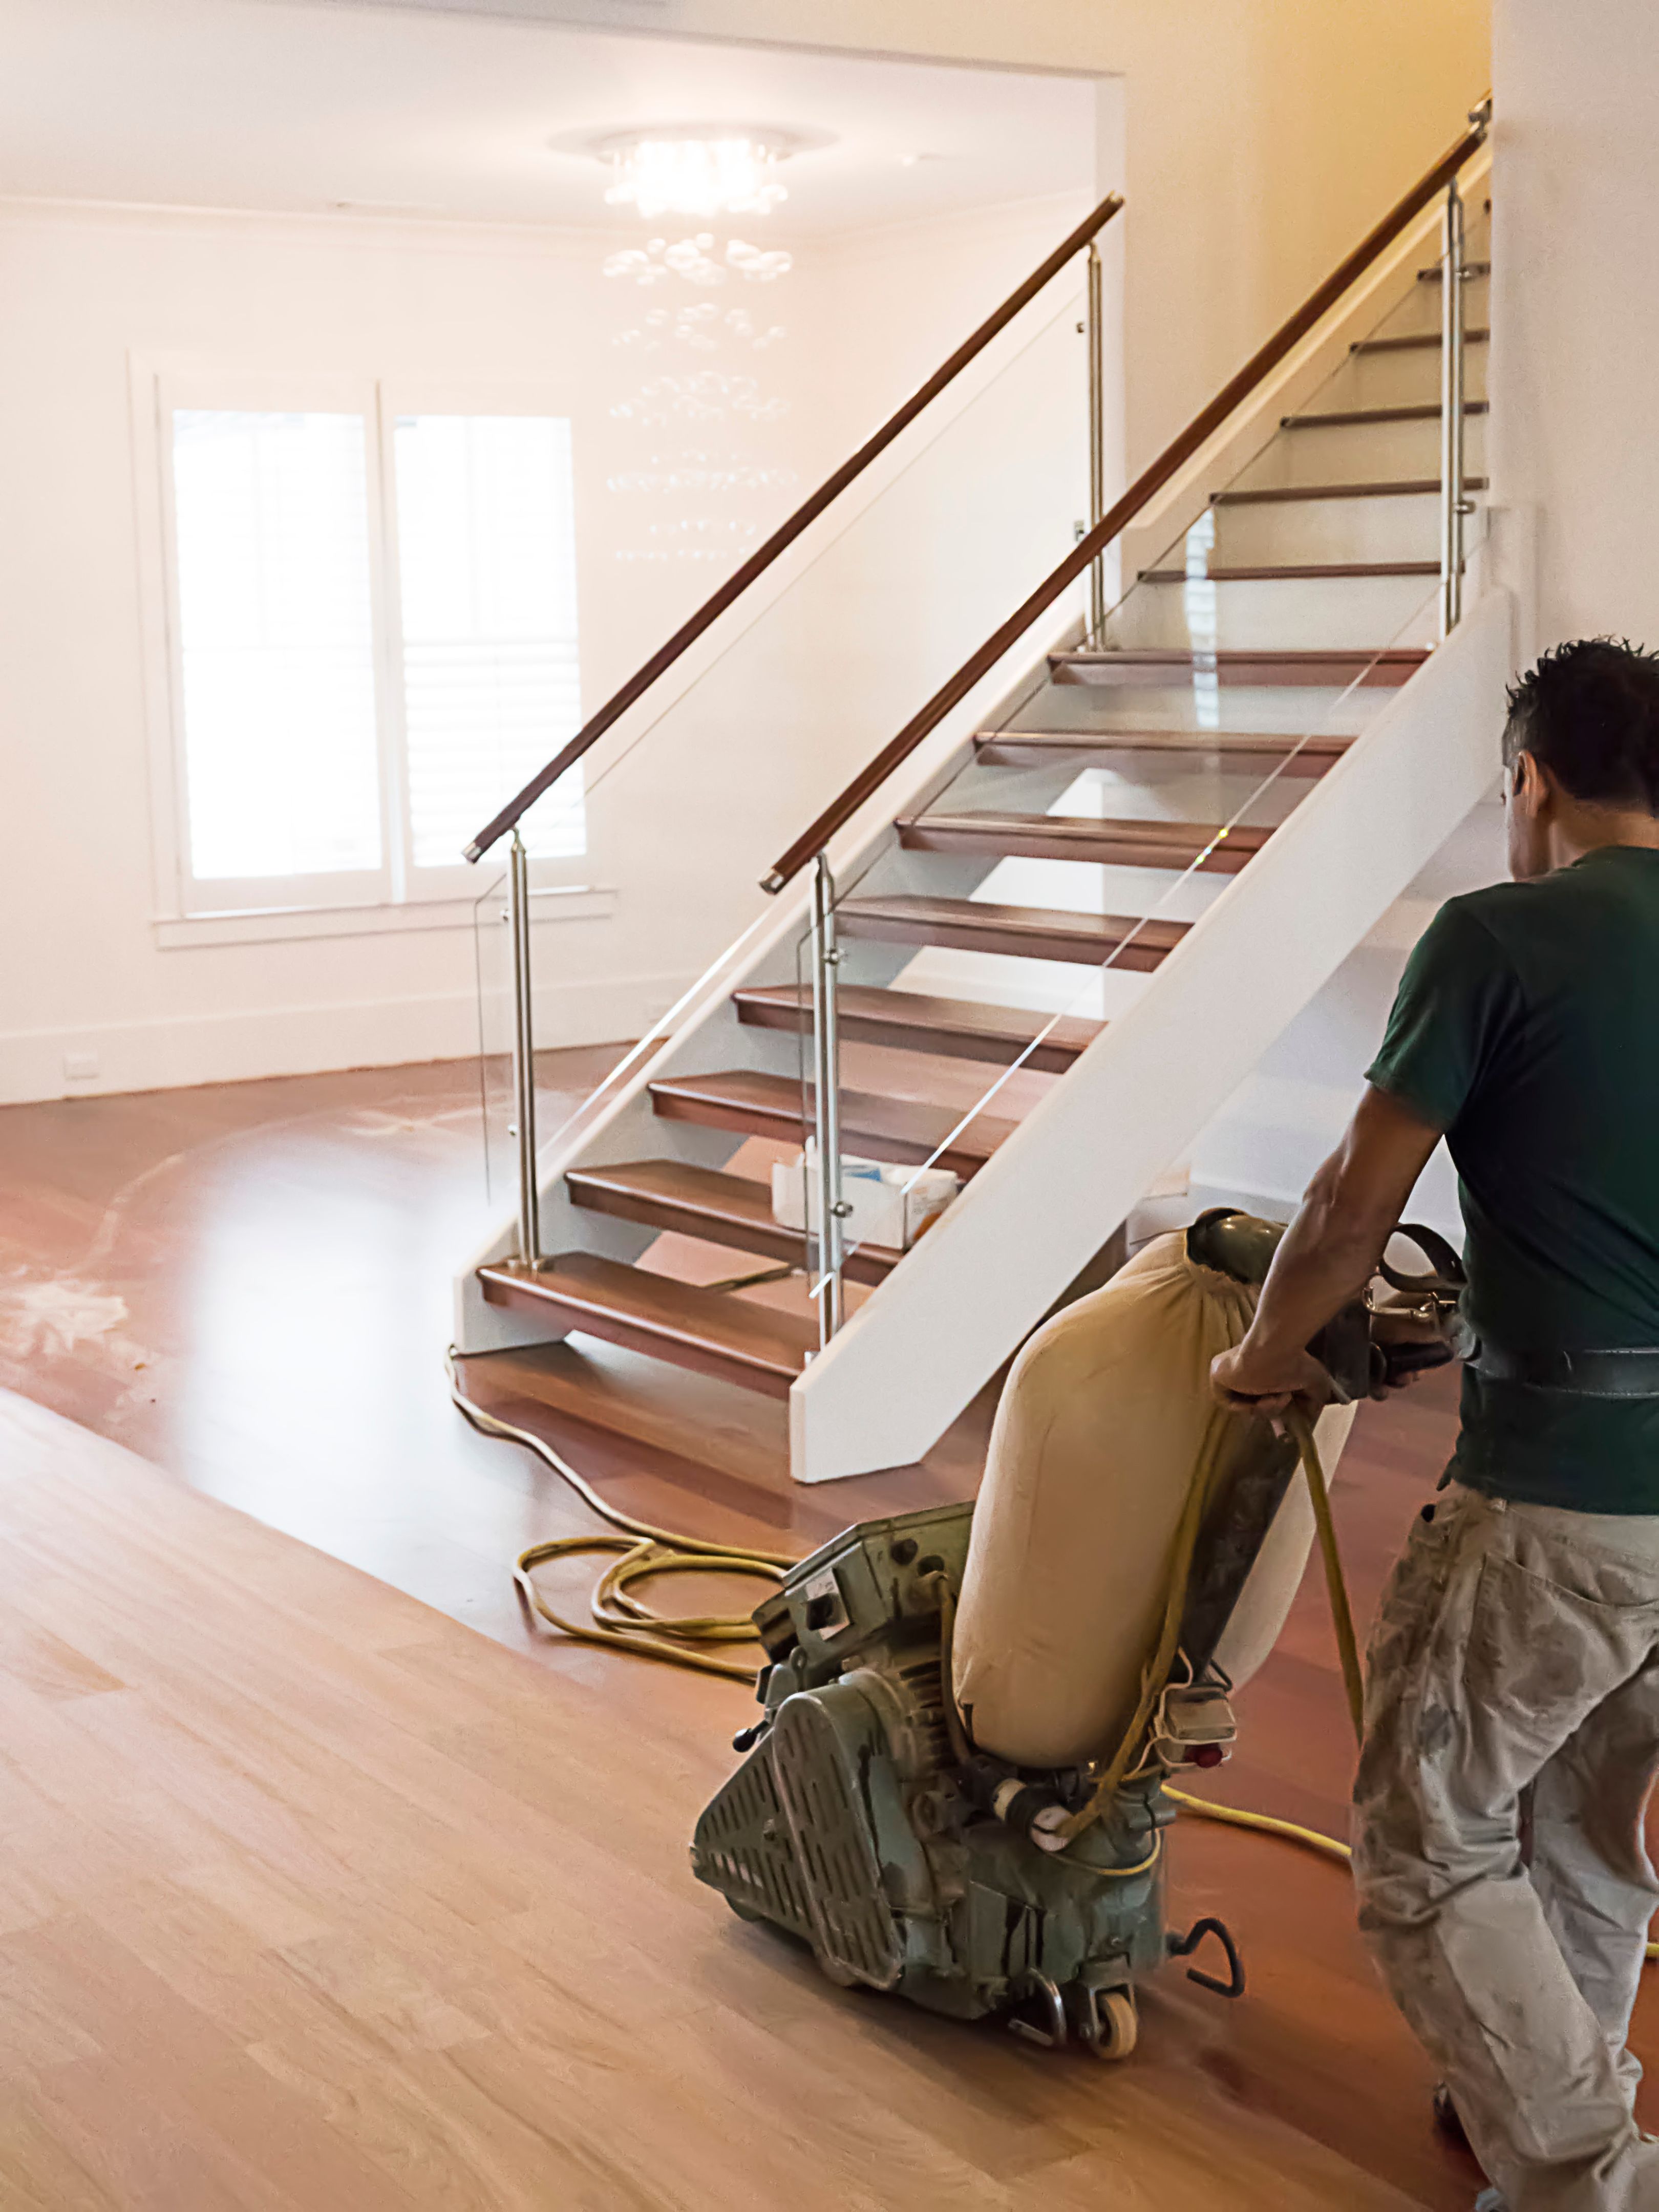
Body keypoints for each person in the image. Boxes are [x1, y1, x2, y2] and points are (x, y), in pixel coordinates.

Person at [1210, 639, 1659, 2212]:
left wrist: (1262, 1355)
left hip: (1560, 1496)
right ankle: (1539, 2091)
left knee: (1424, 1842)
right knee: (1584, 1825)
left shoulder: (1495, 938)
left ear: (1531, 781)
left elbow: (1351, 1203)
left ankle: (1590, 2175)